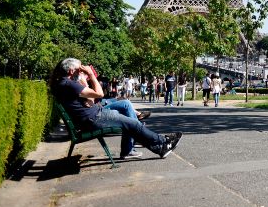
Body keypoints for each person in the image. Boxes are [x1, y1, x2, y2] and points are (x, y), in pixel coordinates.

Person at [50, 58, 181, 159]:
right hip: (94, 118)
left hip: (93, 116)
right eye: (79, 69)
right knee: (133, 123)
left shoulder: (64, 83)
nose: (81, 71)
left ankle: (158, 146)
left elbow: (90, 101)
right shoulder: (70, 84)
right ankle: (162, 143)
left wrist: (84, 83)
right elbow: (100, 94)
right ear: (71, 71)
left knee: (129, 116)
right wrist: (91, 75)